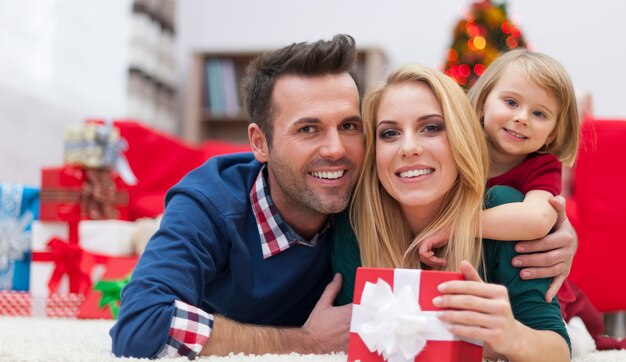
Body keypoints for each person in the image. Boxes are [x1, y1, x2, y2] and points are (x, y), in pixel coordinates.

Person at [110, 35, 576, 359]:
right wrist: (303, 343)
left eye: (350, 127)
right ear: (259, 143)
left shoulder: (358, 193)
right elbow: (140, 325)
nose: (335, 149)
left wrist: (555, 232)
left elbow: (547, 332)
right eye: (308, 129)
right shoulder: (217, 204)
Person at [332, 63, 570, 361]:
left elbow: (558, 350)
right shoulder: (354, 222)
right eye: (389, 133)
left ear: (462, 137)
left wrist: (512, 336)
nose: (409, 148)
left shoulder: (503, 207)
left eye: (431, 127)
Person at [418, 49, 579, 302]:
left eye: (539, 114)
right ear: (483, 104)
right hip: (472, 274)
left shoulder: (542, 166)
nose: (521, 118)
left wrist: (456, 228)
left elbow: (536, 219)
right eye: (511, 102)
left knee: (584, 331)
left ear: (551, 133)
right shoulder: (456, 151)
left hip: (527, 286)